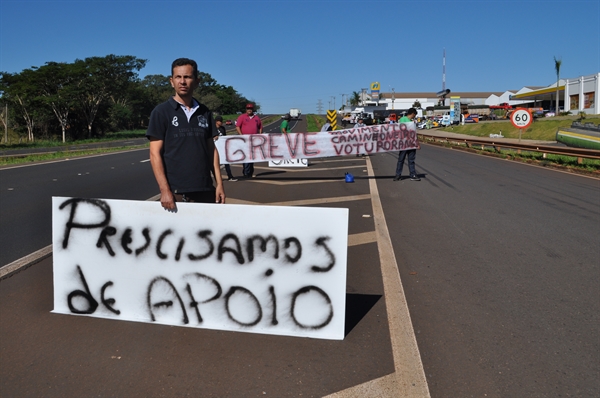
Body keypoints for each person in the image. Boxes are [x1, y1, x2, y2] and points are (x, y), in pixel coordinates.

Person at [146, 58, 225, 209]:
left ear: (196, 81)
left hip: (205, 190)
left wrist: (219, 184)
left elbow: (211, 151)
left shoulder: (205, 112)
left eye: (187, 77)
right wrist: (165, 190)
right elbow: (154, 154)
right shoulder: (161, 112)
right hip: (176, 193)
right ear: (171, 81)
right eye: (178, 77)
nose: (182, 81)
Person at [393, 108, 421, 181]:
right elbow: (402, 129)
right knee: (401, 160)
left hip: (411, 143)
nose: (414, 116)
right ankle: (398, 175)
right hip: (404, 143)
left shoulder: (412, 122)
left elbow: (414, 134)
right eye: (414, 115)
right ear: (412, 113)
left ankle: (413, 174)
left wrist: (417, 143)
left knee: (411, 160)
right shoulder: (403, 119)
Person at [236, 103, 263, 178]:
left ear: (253, 110)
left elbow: (260, 127)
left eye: (250, 109)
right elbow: (237, 126)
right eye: (248, 109)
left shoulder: (256, 118)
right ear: (246, 109)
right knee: (246, 157)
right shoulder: (242, 117)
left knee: (252, 157)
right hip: (245, 140)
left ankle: (250, 172)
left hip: (254, 141)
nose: (249, 110)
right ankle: (246, 173)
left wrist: (260, 135)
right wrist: (241, 135)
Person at [214, 115, 237, 181]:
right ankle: (217, 178)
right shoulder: (212, 128)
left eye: (221, 121)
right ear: (216, 122)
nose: (221, 122)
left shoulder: (222, 128)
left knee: (226, 162)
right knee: (216, 164)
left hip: (223, 148)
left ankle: (230, 176)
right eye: (219, 121)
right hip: (215, 148)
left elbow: (225, 137)